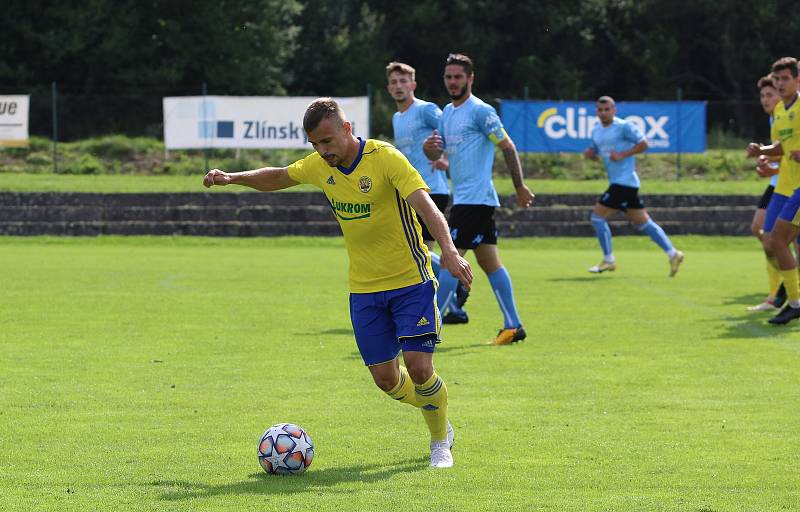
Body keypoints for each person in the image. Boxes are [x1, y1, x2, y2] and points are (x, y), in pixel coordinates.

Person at [203, 98, 473, 467]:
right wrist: (234, 178)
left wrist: (451, 252)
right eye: (314, 144)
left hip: (412, 281)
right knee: (386, 381)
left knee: (420, 366)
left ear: (347, 129)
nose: (321, 151)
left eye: (327, 142)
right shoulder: (319, 166)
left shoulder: (385, 158)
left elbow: (427, 207)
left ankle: (440, 440)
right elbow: (280, 176)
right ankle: (434, 406)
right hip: (363, 289)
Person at [423, 53, 534, 345]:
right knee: (491, 264)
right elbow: (439, 153)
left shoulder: (481, 111)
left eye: (459, 77)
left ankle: (429, 327)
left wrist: (520, 186)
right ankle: (513, 326)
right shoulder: (447, 112)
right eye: (449, 77)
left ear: (470, 78)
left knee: (449, 261)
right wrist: (429, 150)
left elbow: (508, 147)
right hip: (467, 200)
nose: (453, 82)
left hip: (476, 200)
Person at [386, 61, 469, 313]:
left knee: (415, 253)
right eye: (393, 82)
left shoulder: (425, 110)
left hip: (432, 190)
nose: (398, 86)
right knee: (414, 251)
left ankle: (441, 298)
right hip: (409, 192)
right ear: (388, 88)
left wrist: (445, 158)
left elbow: (450, 130)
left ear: (413, 85)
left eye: (403, 81)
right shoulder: (396, 117)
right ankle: (455, 303)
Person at [582, 96, 684, 276]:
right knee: (643, 222)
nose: (604, 113)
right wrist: (591, 154)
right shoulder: (596, 130)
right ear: (596, 111)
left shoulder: (624, 126)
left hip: (624, 181)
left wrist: (622, 154)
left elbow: (644, 143)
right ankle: (673, 253)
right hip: (622, 183)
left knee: (597, 217)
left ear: (614, 110)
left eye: (607, 109)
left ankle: (608, 260)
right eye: (600, 110)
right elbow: (598, 152)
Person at [746, 57, 800, 325]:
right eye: (776, 79)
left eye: (784, 79)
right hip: (784, 186)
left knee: (779, 240)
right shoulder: (780, 111)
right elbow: (781, 147)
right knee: (770, 240)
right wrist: (762, 151)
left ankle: (790, 300)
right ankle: (788, 297)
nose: (779, 84)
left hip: (799, 186)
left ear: (797, 80)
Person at [747, 74, 787, 311]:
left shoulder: (786, 114)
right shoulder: (775, 117)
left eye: (770, 94)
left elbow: (790, 153)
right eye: (762, 95)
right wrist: (769, 164)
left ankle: (781, 292)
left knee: (775, 239)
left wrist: (768, 158)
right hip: (777, 183)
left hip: (788, 184)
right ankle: (777, 291)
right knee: (761, 232)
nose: (765, 99)